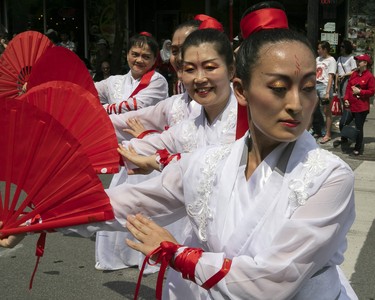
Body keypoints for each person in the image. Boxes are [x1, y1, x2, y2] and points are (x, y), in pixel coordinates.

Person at [0, 2, 357, 299]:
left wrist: (175, 253)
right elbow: (129, 203)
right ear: (242, 89)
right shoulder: (206, 162)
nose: (296, 104)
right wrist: (40, 219)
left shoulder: (329, 176)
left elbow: (273, 281)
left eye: (308, 88)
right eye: (279, 88)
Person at [96, 26, 236, 273]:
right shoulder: (181, 112)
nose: (198, 74)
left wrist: (158, 160)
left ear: (231, 68)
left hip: (232, 249)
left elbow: (214, 165)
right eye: (178, 53)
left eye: (210, 66)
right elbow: (127, 131)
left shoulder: (248, 119)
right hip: (192, 228)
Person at [95, 32, 169, 114]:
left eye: (146, 57)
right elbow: (88, 90)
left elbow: (136, 106)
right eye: (135, 55)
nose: (139, 60)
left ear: (154, 60)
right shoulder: (113, 81)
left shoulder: (158, 81)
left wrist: (102, 109)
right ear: (127, 55)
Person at [337, 53, 375, 156]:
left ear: (365, 63)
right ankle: (345, 138)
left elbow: (372, 91)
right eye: (357, 60)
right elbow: (349, 87)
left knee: (358, 128)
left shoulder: (370, 76)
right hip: (350, 106)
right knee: (342, 123)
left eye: (359, 61)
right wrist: (346, 99)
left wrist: (361, 92)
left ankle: (358, 147)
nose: (357, 63)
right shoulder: (354, 74)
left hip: (361, 107)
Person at [315, 41, 337, 144]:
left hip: (324, 86)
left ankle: (328, 134)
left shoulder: (331, 60)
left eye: (319, 49)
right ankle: (317, 129)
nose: (318, 51)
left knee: (326, 111)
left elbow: (331, 76)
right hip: (316, 85)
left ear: (325, 49)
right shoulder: (317, 59)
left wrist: (328, 92)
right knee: (313, 109)